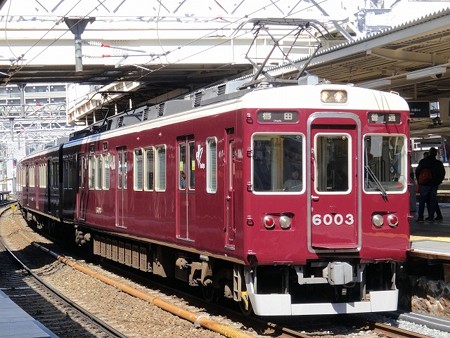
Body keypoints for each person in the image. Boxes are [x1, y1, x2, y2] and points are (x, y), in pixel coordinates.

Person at [415, 147, 445, 222]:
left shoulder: (423, 161)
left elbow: (417, 171)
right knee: (432, 201)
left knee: (422, 201)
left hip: (425, 184)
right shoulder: (438, 163)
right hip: (434, 185)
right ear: (436, 154)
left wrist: (419, 181)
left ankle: (420, 217)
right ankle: (431, 217)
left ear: (429, 152)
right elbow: (442, 173)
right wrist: (438, 181)